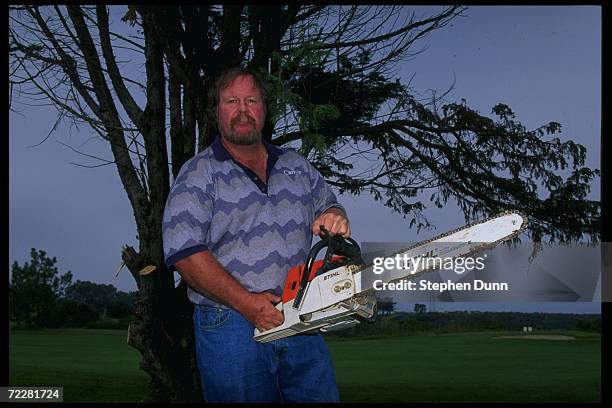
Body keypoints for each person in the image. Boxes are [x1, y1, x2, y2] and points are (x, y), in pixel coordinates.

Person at [162, 66, 349, 403]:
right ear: (217, 112)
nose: (243, 109)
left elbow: (330, 205)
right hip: (230, 324)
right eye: (232, 101)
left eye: (252, 100)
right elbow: (185, 254)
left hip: (300, 316)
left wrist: (335, 216)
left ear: (264, 109)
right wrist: (248, 304)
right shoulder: (199, 173)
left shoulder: (297, 167)